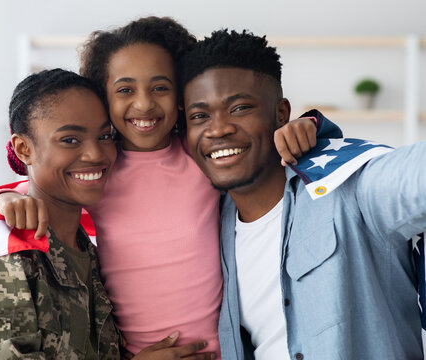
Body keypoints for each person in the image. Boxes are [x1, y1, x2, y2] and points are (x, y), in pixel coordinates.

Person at [0, 17, 318, 358]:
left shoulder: (202, 156)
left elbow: (258, 151)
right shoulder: (95, 171)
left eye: (160, 87)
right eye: (125, 89)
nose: (144, 103)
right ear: (104, 97)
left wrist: (307, 126)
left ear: (180, 95)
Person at [0, 69, 214, 359]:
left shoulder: (83, 249)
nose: (95, 154)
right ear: (24, 149)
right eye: (70, 140)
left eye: (105, 136)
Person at [179, 29, 425, 359]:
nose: (217, 128)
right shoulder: (209, 221)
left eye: (239, 108)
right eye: (199, 116)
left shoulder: (349, 186)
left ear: (281, 113)